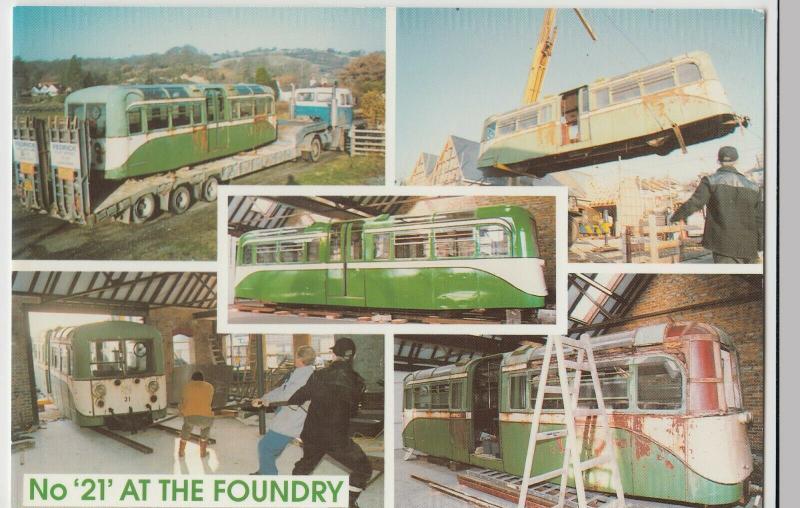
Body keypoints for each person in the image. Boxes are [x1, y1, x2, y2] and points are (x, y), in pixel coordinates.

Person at [287, 338, 372, 508]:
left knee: (304, 466)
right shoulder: (358, 381)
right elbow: (353, 411)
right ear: (353, 356)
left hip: (312, 435)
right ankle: (348, 502)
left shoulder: (318, 375)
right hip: (337, 439)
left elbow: (296, 398)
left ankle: (293, 499)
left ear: (334, 354)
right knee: (364, 468)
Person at [670, 146, 763, 263]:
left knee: (728, 280)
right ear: (737, 161)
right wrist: (760, 245)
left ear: (718, 161)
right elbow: (760, 219)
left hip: (722, 244)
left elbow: (695, 203)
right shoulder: (754, 187)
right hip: (749, 246)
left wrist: (674, 217)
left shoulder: (710, 181)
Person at [250, 345, 317, 475]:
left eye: (296, 355)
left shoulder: (305, 377)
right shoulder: (298, 372)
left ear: (300, 358)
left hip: (292, 418)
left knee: (265, 447)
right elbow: (282, 390)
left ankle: (268, 477)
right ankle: (265, 469)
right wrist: (264, 398)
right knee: (272, 447)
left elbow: (288, 397)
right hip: (287, 415)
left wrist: (265, 401)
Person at [178, 371, 214, 458]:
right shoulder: (209, 386)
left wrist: (181, 410)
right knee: (205, 428)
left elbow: (183, 402)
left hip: (190, 417)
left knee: (186, 428)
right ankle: (203, 452)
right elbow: (209, 402)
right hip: (205, 417)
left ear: (192, 379)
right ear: (203, 379)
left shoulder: (187, 386)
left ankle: (181, 451)